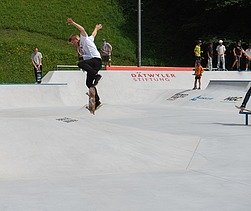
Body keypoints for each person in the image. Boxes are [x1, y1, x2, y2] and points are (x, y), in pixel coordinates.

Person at [67, 18, 102, 108]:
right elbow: (94, 35)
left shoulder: (84, 39)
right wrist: (96, 28)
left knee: (80, 63)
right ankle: (97, 101)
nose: (73, 44)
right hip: (93, 64)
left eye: (72, 42)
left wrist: (73, 23)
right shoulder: (88, 40)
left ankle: (96, 75)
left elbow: (82, 29)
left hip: (96, 60)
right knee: (88, 83)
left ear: (75, 39)